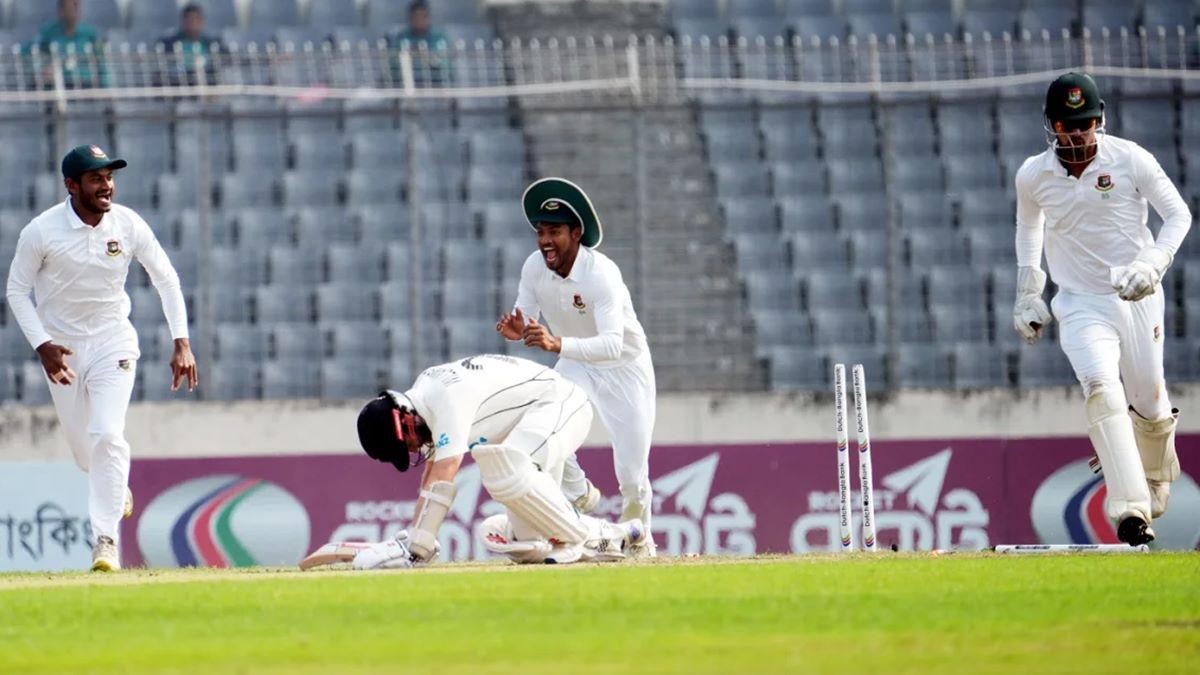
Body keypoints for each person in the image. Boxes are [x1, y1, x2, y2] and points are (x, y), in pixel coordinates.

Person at [1013, 72, 1191, 545]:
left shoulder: (1130, 159)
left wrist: (1153, 263)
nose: (1078, 134)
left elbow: (1179, 214)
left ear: (1100, 120)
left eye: (1086, 124)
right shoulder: (1033, 175)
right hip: (1079, 303)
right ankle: (1129, 509)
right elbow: (1029, 229)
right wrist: (1029, 291)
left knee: (1149, 403)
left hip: (1137, 295)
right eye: (1067, 125)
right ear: (1051, 125)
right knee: (1100, 388)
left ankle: (1155, 481)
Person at [5, 145, 198, 572]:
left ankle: (105, 541)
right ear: (71, 185)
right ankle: (114, 487)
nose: (106, 185)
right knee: (86, 456)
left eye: (109, 177)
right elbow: (16, 290)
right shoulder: (41, 231)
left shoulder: (127, 224)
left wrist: (181, 341)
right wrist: (42, 345)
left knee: (108, 433)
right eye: (96, 178)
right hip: (63, 352)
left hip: (114, 342)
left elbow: (166, 279)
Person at [334, 354, 645, 570]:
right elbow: (432, 475)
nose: (416, 448)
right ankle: (619, 535)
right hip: (534, 422)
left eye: (407, 444)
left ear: (402, 420)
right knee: (528, 543)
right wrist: (416, 534)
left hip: (560, 405)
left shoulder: (444, 397)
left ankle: (578, 537)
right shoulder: (425, 399)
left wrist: (416, 549)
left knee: (505, 467)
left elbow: (444, 472)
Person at [496, 178, 658, 557]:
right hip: (576, 364)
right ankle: (578, 492)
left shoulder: (602, 274)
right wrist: (519, 329)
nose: (545, 241)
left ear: (576, 233)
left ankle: (638, 543)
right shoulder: (534, 267)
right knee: (545, 421)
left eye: (554, 232)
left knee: (632, 476)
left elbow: (612, 344)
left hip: (625, 367)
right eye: (541, 232)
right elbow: (526, 317)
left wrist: (556, 343)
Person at [34, 0, 106, 88]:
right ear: (60, 10)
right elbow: (33, 53)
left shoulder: (90, 33)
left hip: (86, 84)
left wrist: (105, 87)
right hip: (57, 85)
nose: (71, 11)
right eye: (67, 8)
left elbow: (101, 62)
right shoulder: (48, 32)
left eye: (75, 6)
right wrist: (45, 69)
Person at [157, 3, 224, 86]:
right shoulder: (168, 45)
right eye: (190, 19)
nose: (194, 23)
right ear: (184, 21)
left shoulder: (211, 44)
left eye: (197, 19)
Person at [387, 0, 450, 87]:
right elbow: (392, 62)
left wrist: (429, 58)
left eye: (423, 16)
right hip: (406, 84)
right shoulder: (401, 38)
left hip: (436, 84)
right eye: (416, 17)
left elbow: (446, 64)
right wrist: (408, 55)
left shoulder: (439, 38)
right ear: (410, 18)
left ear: (428, 18)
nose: (419, 20)